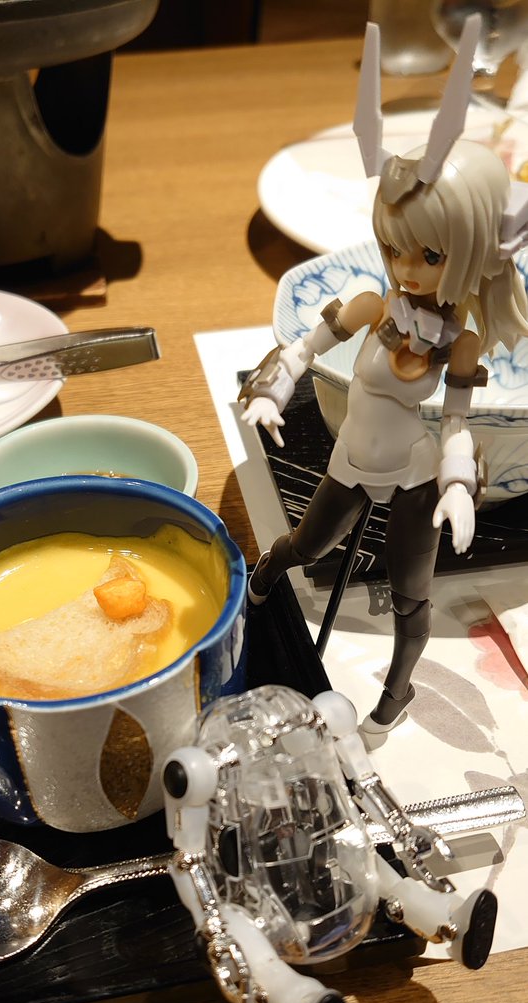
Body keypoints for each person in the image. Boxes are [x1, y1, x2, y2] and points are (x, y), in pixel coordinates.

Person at [240, 19, 528, 732]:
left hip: (413, 478)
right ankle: (262, 578)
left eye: (429, 255)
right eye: (396, 248)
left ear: (473, 252)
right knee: (305, 546)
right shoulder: (372, 306)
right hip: (349, 459)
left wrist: (458, 486)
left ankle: (396, 696)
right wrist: (273, 387)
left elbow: (455, 424)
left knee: (409, 597)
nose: (406, 268)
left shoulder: (460, 343)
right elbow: (305, 349)